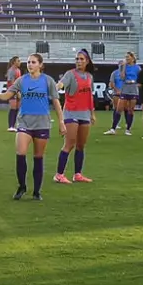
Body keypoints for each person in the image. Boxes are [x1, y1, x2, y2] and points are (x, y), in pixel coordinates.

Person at [0, 53, 59, 201]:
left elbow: (56, 102)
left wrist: (62, 121)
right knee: (20, 154)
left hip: (42, 123)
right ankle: (22, 187)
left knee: (38, 157)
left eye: (33, 62)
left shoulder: (48, 80)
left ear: (40, 65)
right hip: (24, 122)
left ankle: (37, 191)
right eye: (28, 62)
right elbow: (8, 95)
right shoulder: (22, 80)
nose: (30, 64)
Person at [52, 49, 97, 185]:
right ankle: (59, 175)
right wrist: (56, 87)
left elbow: (89, 96)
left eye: (81, 59)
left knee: (81, 145)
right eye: (77, 59)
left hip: (85, 114)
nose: (78, 61)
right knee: (69, 144)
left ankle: (78, 174)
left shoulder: (89, 77)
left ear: (87, 61)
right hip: (71, 113)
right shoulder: (70, 74)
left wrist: (92, 113)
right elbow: (61, 84)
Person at [2, 56, 23, 134]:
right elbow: (12, 83)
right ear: (14, 62)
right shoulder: (11, 71)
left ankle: (15, 125)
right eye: (18, 61)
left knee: (17, 108)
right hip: (12, 91)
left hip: (17, 91)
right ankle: (11, 126)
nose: (20, 62)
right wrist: (17, 92)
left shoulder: (18, 70)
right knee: (13, 107)